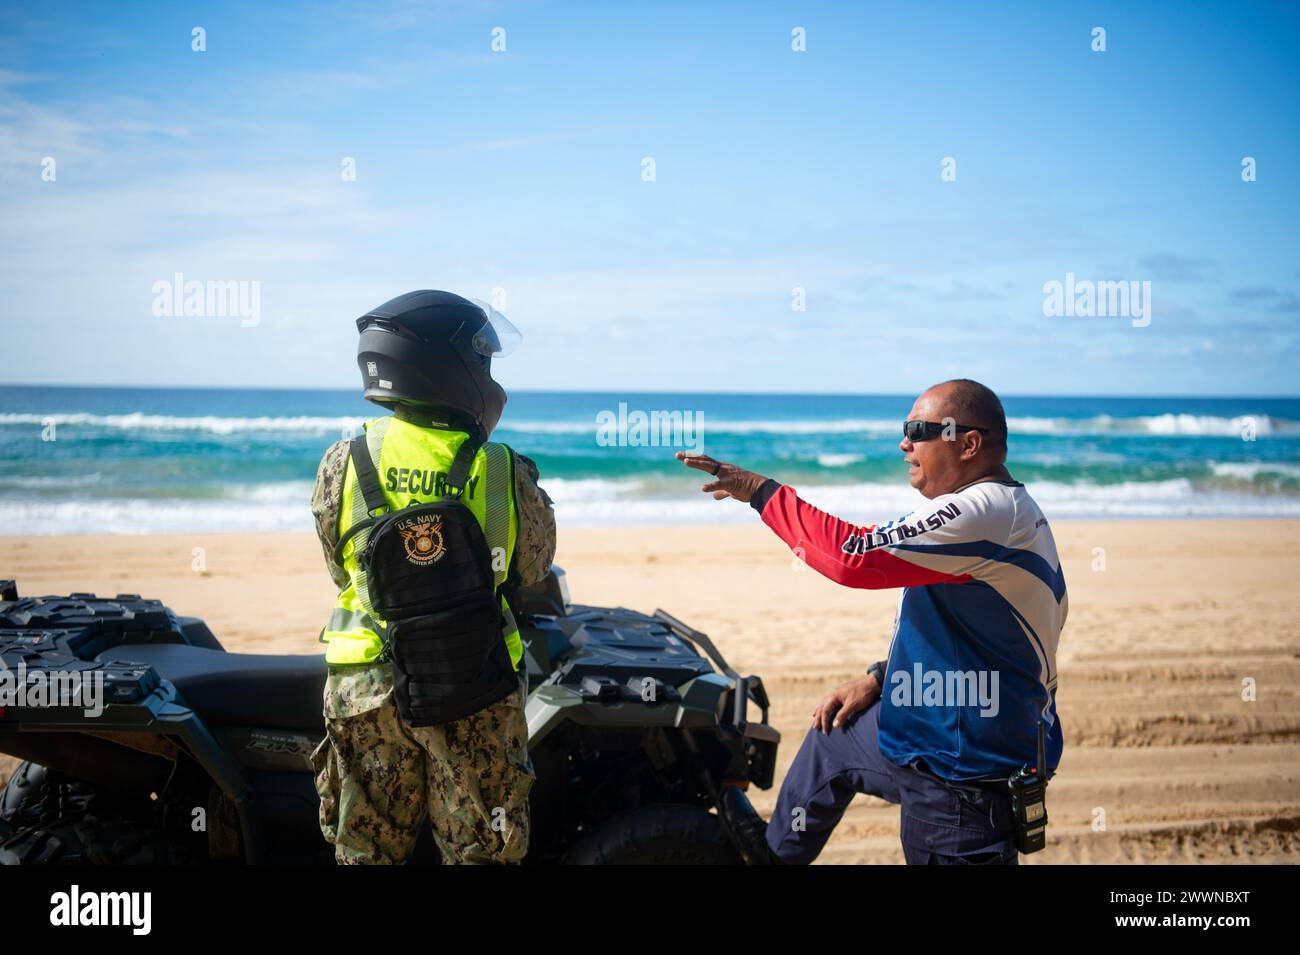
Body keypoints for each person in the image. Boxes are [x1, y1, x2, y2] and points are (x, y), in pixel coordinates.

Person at [677, 379, 1066, 865]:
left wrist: (760, 491)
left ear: (969, 444)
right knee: (834, 737)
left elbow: (852, 557)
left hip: (963, 775)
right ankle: (773, 857)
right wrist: (879, 679)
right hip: (926, 727)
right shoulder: (989, 512)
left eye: (920, 430)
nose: (904, 443)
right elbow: (972, 634)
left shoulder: (985, 511)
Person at [310, 290, 556, 865]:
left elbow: (338, 563)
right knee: (482, 851)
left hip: (363, 685)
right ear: (455, 370)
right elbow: (533, 567)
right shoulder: (501, 469)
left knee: (365, 852)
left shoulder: (343, 460)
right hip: (472, 680)